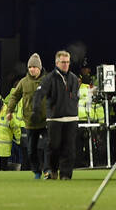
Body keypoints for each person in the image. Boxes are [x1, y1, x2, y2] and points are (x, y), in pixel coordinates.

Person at [33, 50, 81, 180]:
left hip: (71, 118)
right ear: (57, 62)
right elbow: (39, 94)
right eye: (63, 62)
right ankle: (53, 170)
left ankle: (66, 174)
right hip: (55, 118)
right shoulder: (49, 78)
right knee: (54, 146)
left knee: (69, 148)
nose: (65, 64)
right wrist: (36, 110)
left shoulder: (74, 79)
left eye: (67, 62)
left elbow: (76, 96)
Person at [4, 54, 46, 176]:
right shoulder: (23, 82)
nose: (31, 69)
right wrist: (9, 111)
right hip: (29, 123)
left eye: (34, 67)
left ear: (39, 68)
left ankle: (48, 170)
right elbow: (14, 96)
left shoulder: (47, 80)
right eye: (30, 67)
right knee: (31, 150)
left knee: (46, 148)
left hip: (45, 121)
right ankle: (37, 172)